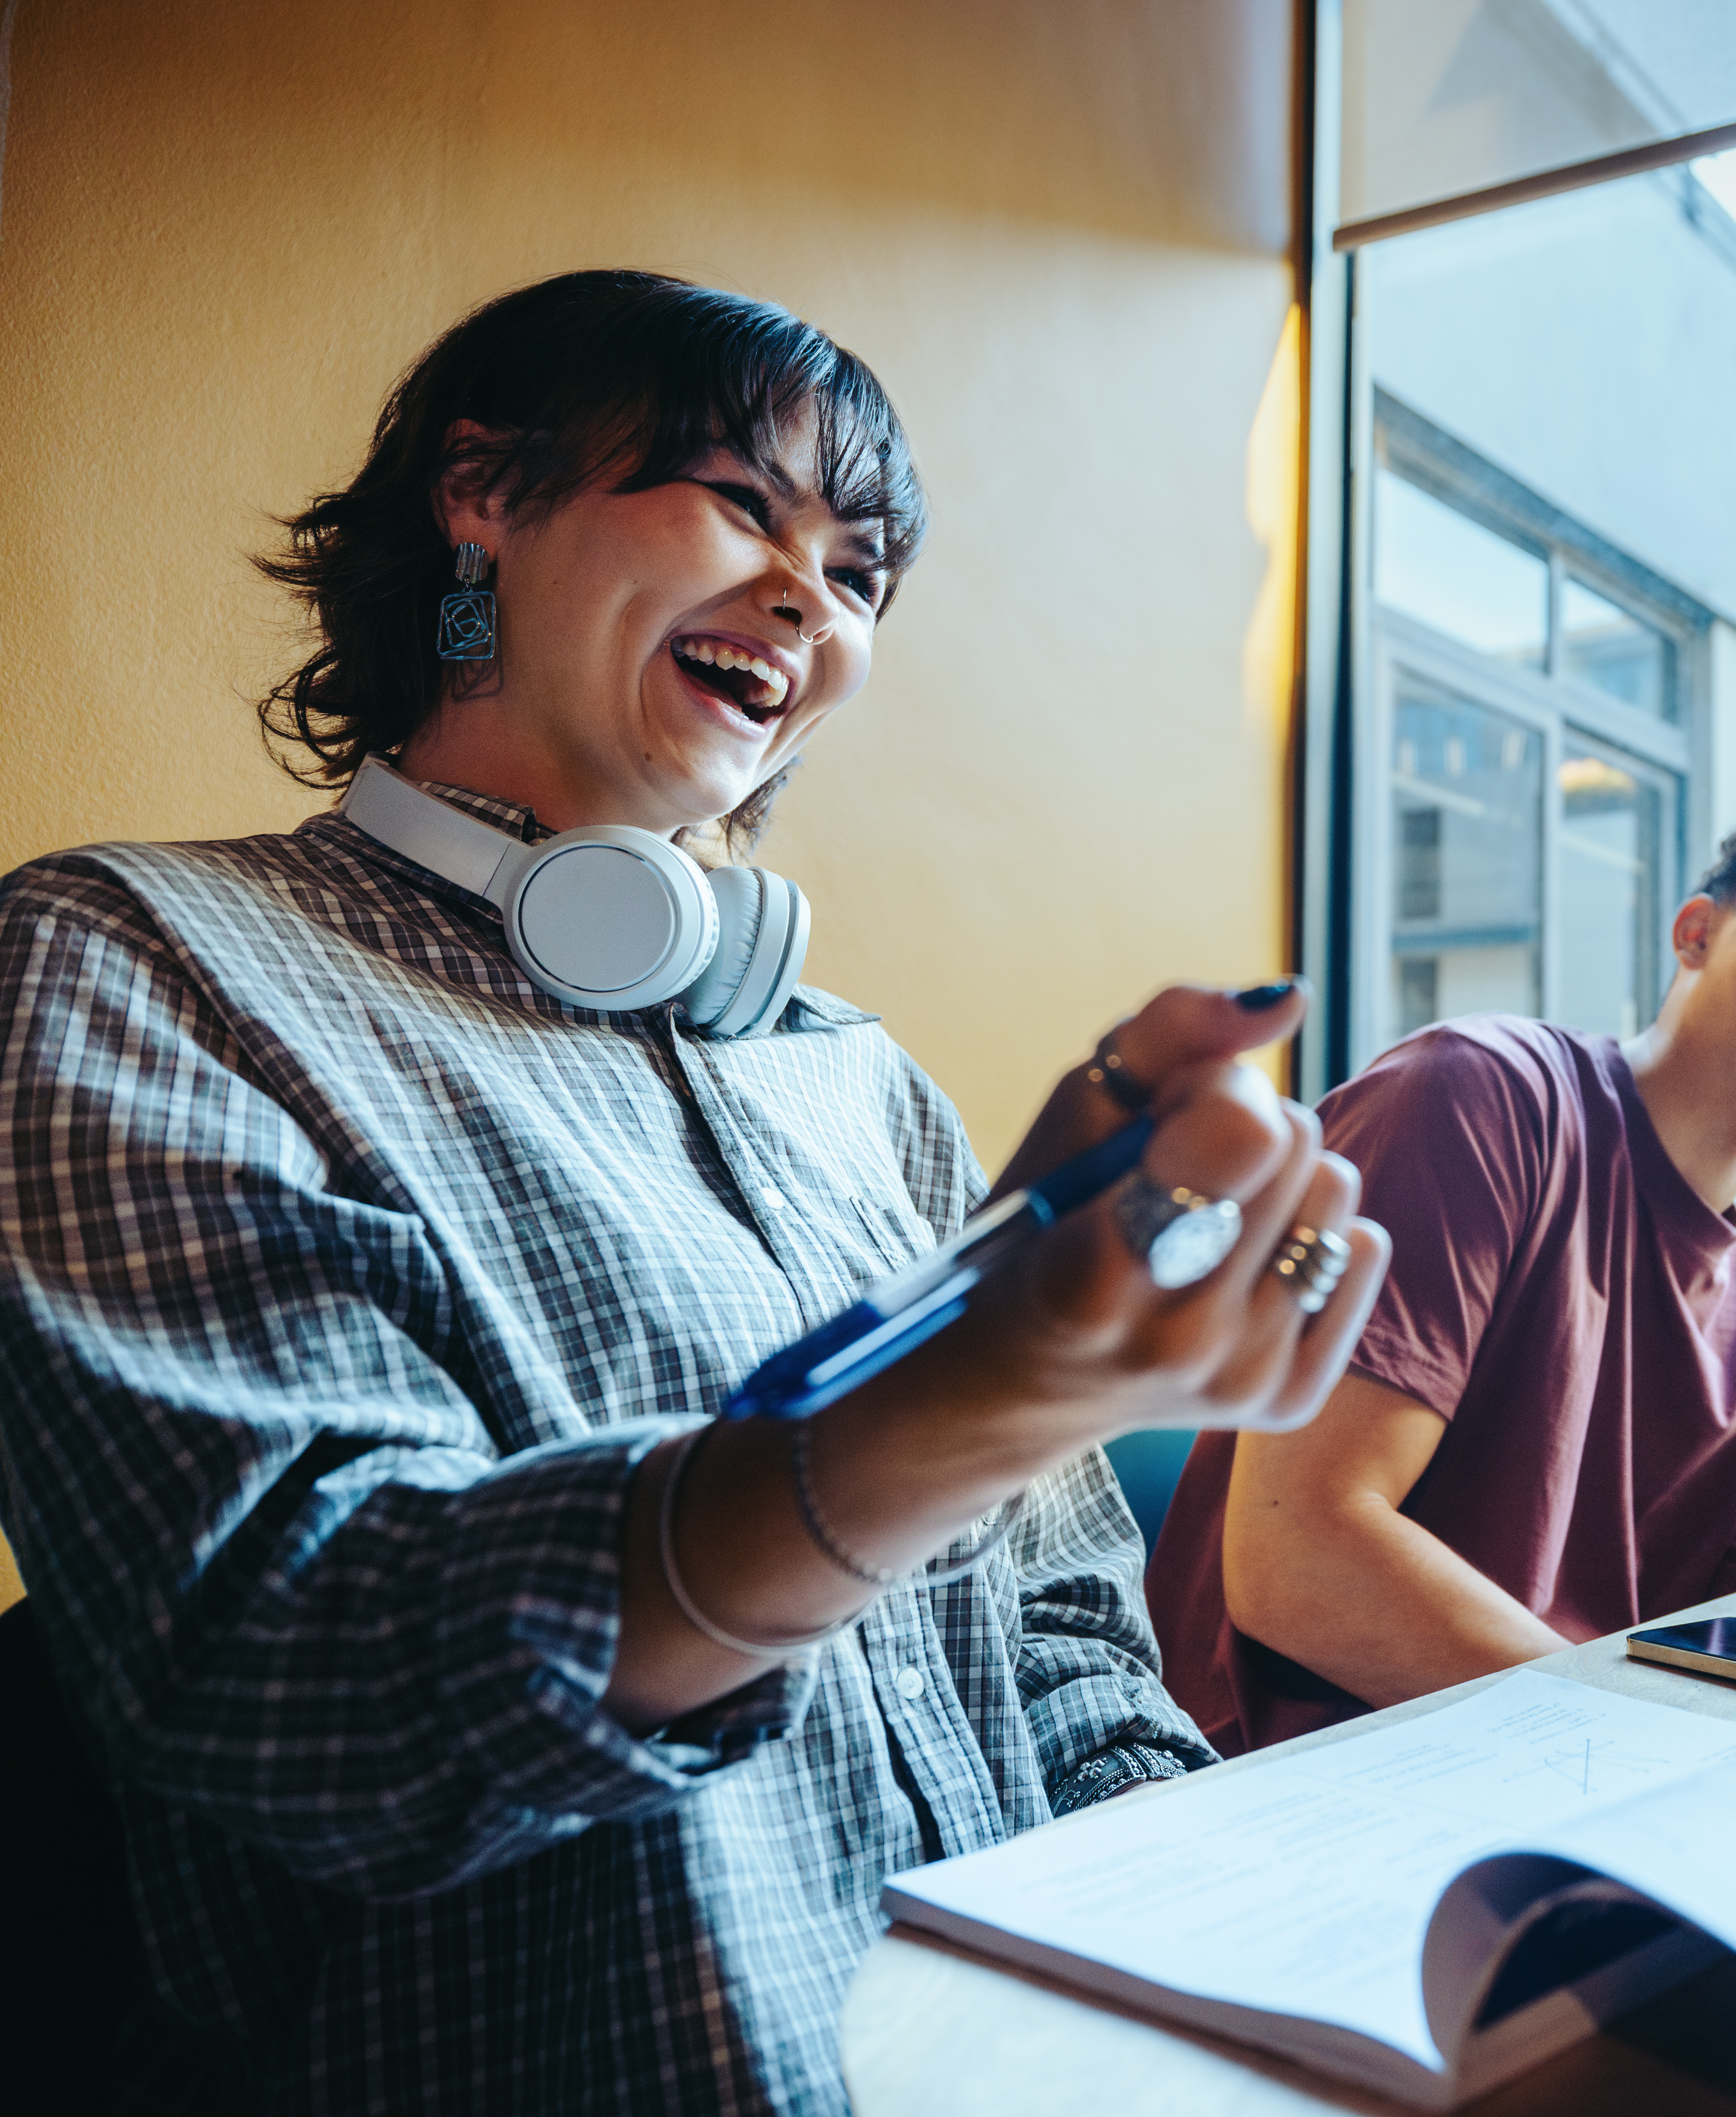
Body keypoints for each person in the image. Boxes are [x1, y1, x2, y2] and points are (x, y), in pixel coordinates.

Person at [0, 269, 1387, 2112]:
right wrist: (947, 1404)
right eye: (745, 502)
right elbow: (306, 1691)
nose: (814, 596)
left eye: (862, 571)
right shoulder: (136, 962)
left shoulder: (856, 1079)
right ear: (483, 492)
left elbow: (1060, 1630)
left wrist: (1224, 1981)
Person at [1147, 796, 1736, 1751]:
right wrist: (1642, 1747)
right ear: (1696, 932)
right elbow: (1300, 1561)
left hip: (1569, 1790)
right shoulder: (1479, 1095)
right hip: (1280, 1778)